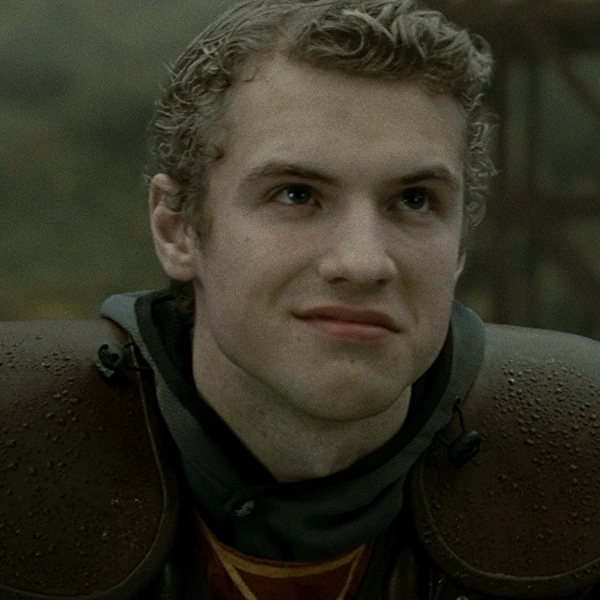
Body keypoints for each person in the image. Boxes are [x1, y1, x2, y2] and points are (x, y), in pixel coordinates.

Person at [2, 0, 599, 599]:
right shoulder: (18, 458)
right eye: (296, 194)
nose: (363, 262)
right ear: (177, 228)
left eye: (414, 200)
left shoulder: (579, 463)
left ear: (461, 244)